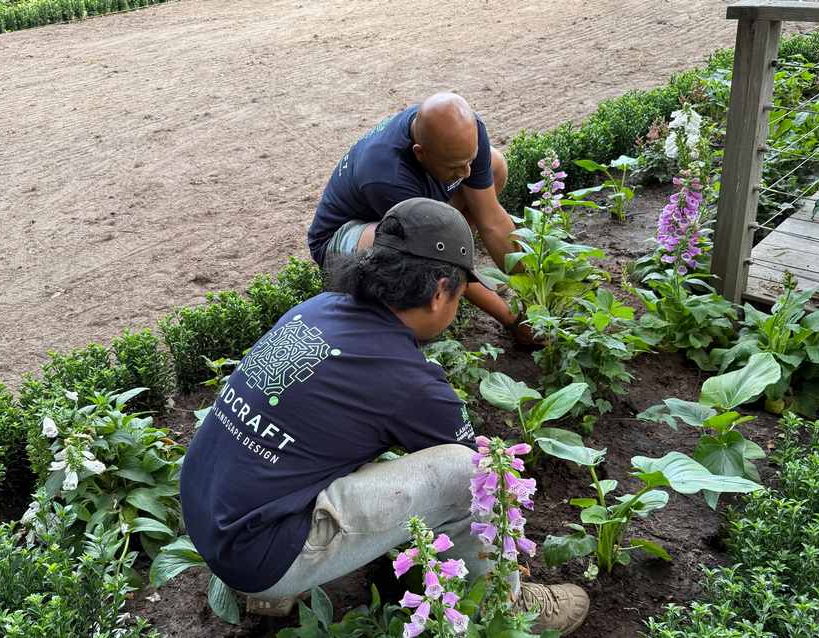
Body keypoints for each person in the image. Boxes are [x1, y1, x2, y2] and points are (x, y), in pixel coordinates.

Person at [181, 198, 589, 635]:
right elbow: (483, 483)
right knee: (466, 473)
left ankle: (275, 587)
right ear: (438, 292)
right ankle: (506, 602)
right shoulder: (409, 382)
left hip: (207, 509)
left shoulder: (317, 309)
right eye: (461, 294)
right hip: (258, 552)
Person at [307, 92, 528, 341]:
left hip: (412, 206)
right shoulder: (387, 176)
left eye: (470, 160)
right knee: (423, 258)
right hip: (343, 238)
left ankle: (456, 259)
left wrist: (535, 290)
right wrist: (513, 320)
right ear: (420, 153)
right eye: (455, 165)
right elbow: (438, 254)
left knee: (494, 165)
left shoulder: (467, 130)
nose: (466, 171)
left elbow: (493, 221)